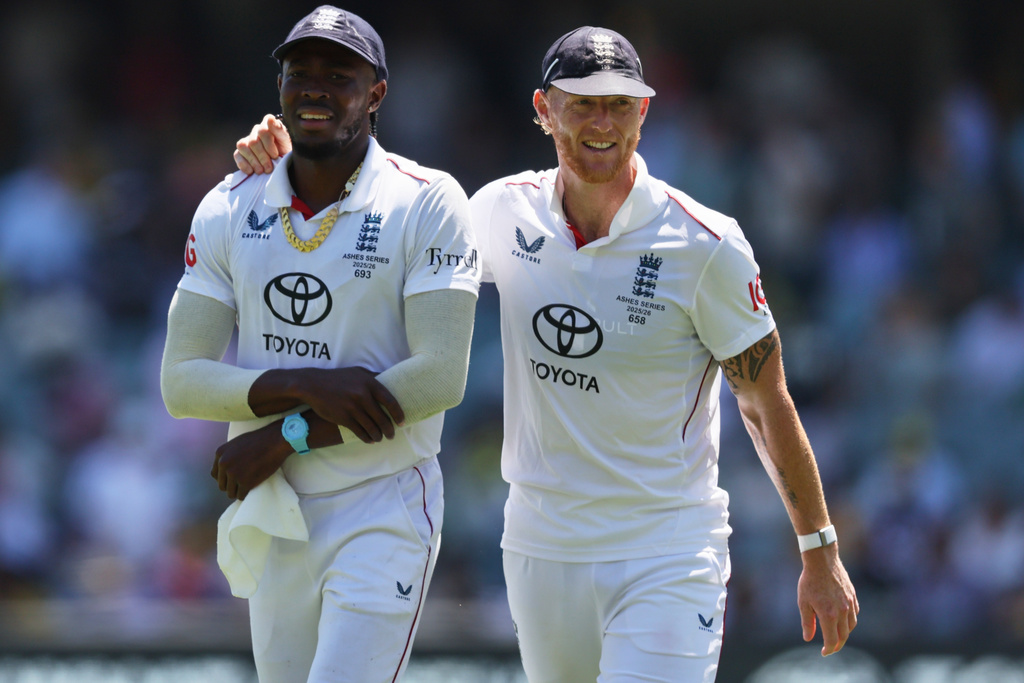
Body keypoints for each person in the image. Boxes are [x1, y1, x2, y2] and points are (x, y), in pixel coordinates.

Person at [234, 25, 858, 683]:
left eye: (619, 104)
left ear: (643, 112)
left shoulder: (707, 245)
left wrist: (819, 549)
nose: (601, 122)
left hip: (667, 550)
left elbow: (765, 401)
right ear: (543, 109)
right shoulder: (502, 212)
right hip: (540, 547)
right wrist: (289, 159)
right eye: (581, 102)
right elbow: (387, 244)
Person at [160, 6, 480, 682]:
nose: (315, 89)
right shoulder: (228, 205)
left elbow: (439, 379)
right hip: (274, 506)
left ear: (377, 93)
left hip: (382, 499)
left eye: (339, 76)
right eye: (299, 73)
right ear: (279, 86)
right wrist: (307, 382)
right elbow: (181, 381)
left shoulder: (427, 201)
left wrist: (286, 433)